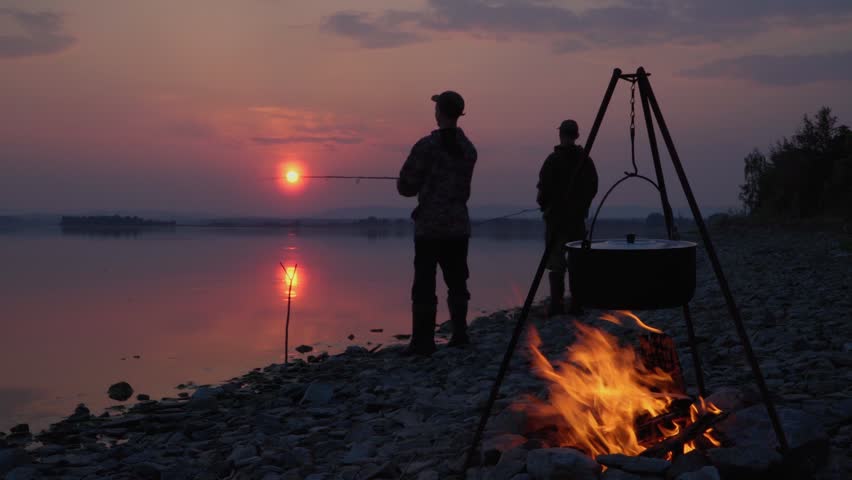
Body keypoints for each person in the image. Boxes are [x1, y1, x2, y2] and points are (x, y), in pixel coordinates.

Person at [397, 91, 477, 356]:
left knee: (424, 284)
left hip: (430, 228)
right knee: (457, 281)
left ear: (439, 112)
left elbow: (405, 187)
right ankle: (460, 334)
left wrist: (415, 183)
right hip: (458, 226)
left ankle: (422, 341)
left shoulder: (426, 146)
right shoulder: (469, 149)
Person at [537, 119, 598, 316]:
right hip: (576, 220)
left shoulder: (553, 160)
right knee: (575, 261)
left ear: (561, 134)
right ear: (576, 135)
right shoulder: (585, 160)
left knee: (556, 262)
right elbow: (592, 187)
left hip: (556, 220)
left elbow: (543, 189)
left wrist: (544, 205)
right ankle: (577, 304)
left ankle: (556, 305)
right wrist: (582, 206)